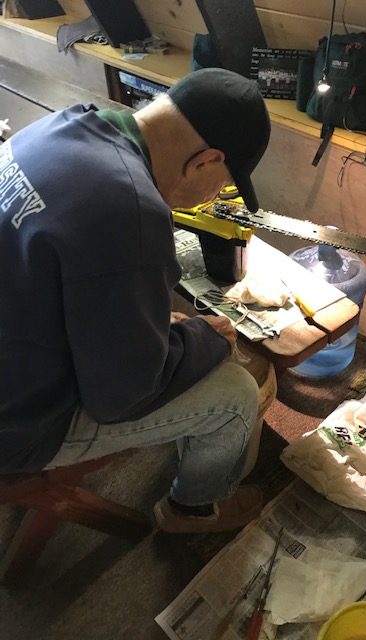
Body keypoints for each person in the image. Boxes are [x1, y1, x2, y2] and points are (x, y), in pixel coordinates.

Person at [0, 68, 273, 533]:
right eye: (220, 184)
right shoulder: (133, 210)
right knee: (236, 395)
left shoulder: (63, 124)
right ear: (204, 160)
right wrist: (204, 338)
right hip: (16, 424)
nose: (213, 196)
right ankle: (192, 511)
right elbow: (121, 397)